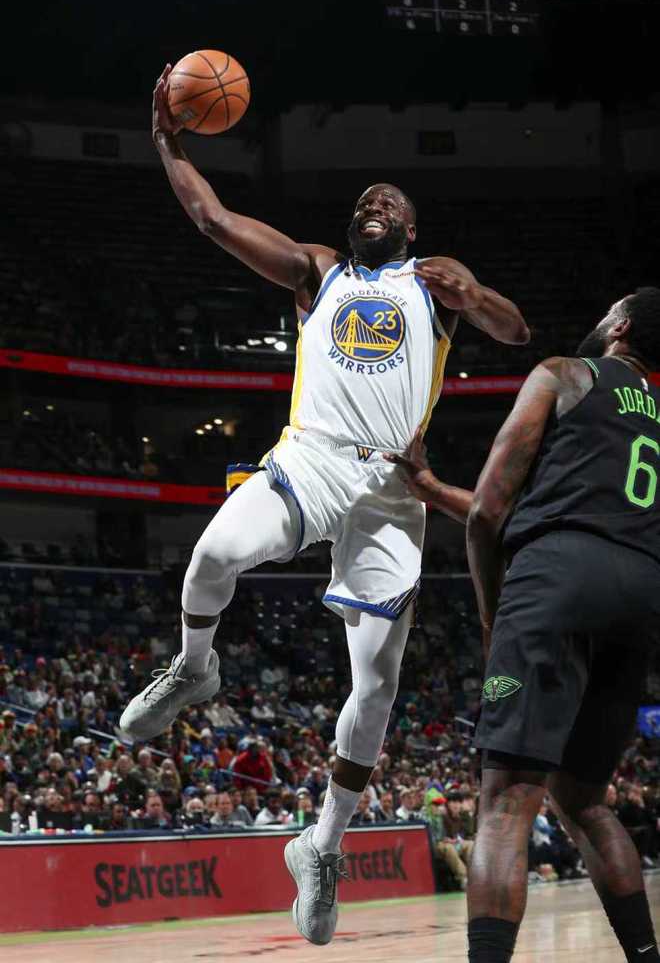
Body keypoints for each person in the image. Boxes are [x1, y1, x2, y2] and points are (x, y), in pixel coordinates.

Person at [120, 64, 529, 947]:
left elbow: (516, 330)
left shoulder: (434, 285)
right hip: (310, 458)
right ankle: (194, 666)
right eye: (364, 202)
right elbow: (213, 220)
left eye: (390, 202)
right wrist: (165, 141)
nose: (373, 204)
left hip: (392, 491)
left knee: (376, 687)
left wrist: (474, 295)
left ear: (411, 228)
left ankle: (321, 845)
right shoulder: (319, 271)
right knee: (212, 556)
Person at [392, 287, 660, 963]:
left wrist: (492, 616)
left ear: (622, 325)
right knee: (586, 801)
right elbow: (547, 512)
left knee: (507, 800)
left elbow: (490, 511)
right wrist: (431, 489)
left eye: (609, 308)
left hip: (557, 581)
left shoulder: (564, 373)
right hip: (640, 594)